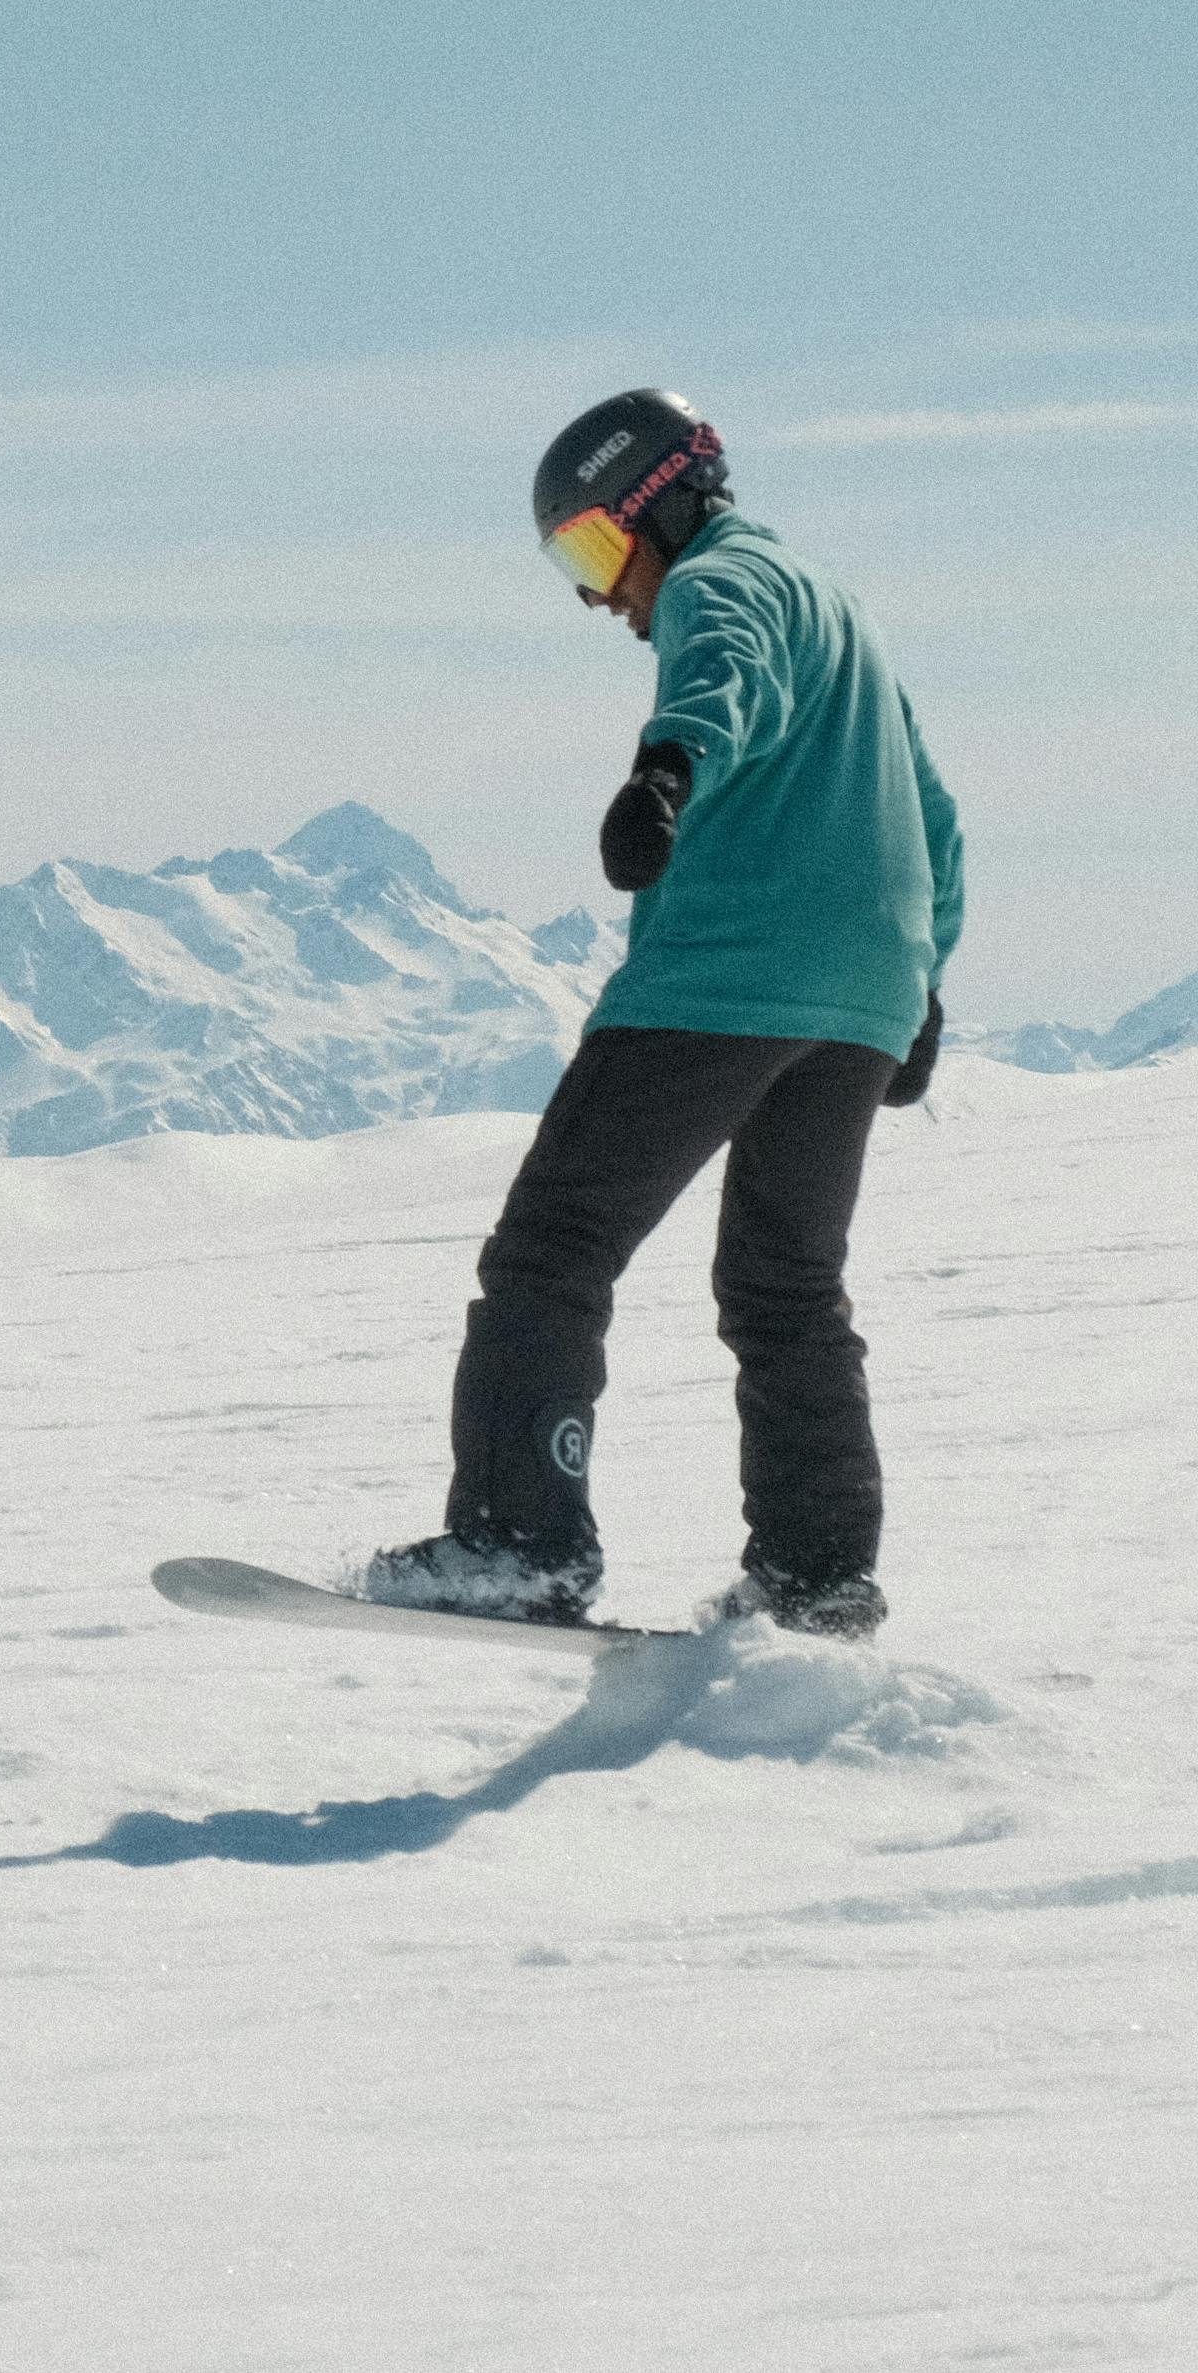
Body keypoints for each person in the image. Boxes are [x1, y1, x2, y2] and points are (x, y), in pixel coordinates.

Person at [362, 390, 962, 1639]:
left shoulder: (717, 580)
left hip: (723, 975)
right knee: (786, 1288)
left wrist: (665, 772)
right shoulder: (842, 611)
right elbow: (932, 806)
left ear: (662, 505)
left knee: (551, 1250)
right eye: (567, 567)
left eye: (593, 551)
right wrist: (922, 983)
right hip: (856, 999)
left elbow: (718, 667)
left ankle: (521, 1541)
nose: (596, 598)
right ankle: (818, 1580)